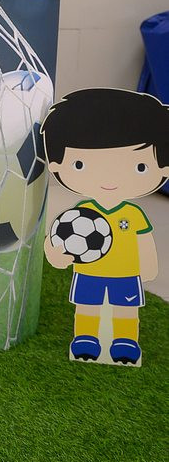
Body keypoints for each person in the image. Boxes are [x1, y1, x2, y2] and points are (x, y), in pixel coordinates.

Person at [40, 88, 166, 364]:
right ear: (57, 166)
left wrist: (149, 267)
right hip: (89, 272)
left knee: (125, 309)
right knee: (87, 306)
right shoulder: (78, 214)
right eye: (80, 164)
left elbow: (143, 240)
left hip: (126, 274)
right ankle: (86, 339)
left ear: (163, 169)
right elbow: (57, 240)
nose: (110, 178)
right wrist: (56, 255)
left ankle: (125, 342)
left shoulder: (133, 214)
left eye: (140, 166)